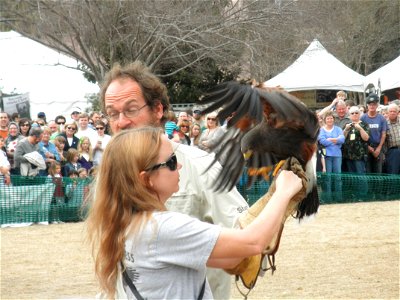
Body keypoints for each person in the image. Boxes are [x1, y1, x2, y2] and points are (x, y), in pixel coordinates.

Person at [86, 127, 302, 299]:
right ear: (145, 179)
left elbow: (230, 257)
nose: (179, 165)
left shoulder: (130, 222)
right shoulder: (163, 228)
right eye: (170, 162)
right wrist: (283, 192)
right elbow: (252, 243)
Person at [100, 61, 249, 299]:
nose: (121, 122)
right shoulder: (109, 172)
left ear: (157, 110)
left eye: (130, 109)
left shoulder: (201, 164)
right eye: (112, 113)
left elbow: (248, 237)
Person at [361, 93, 387, 173]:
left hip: (378, 147)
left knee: (378, 172)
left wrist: (379, 148)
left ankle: (378, 186)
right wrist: (368, 147)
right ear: (367, 106)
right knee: (368, 172)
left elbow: (383, 134)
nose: (372, 106)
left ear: (377, 105)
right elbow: (360, 133)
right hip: (366, 147)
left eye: (374, 104)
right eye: (370, 104)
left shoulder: (381, 118)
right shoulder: (363, 118)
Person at [342, 106, 369, 174]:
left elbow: (366, 138)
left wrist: (360, 129)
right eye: (352, 113)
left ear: (359, 114)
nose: (354, 114)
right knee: (351, 178)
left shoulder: (364, 125)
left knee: (360, 177)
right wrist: (345, 130)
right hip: (348, 155)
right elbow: (342, 139)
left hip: (359, 156)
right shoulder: (347, 125)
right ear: (349, 115)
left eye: (356, 113)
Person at [385, 103, 400, 174]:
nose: (392, 113)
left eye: (394, 111)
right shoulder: (385, 123)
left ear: (398, 112)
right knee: (393, 172)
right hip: (393, 152)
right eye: (390, 111)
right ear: (387, 113)